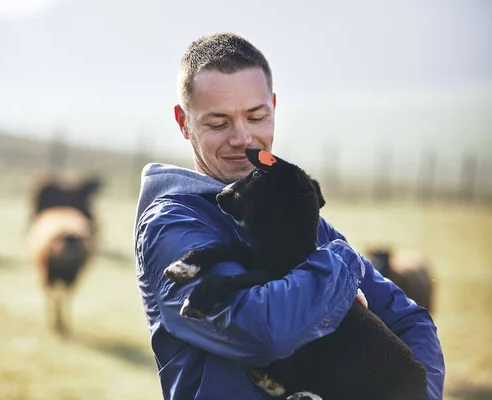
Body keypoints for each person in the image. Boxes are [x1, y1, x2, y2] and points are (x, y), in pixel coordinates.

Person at [133, 32, 445, 400]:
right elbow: (262, 330)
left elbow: (413, 323)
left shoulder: (282, 207)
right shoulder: (170, 224)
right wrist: (342, 265)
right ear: (183, 122)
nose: (243, 138)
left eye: (257, 116)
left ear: (274, 107)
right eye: (218, 123)